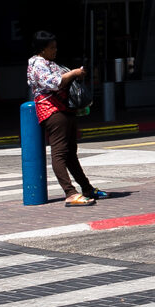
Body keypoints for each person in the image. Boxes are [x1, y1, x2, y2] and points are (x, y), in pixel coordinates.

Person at [26, 31, 98, 207]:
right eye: (52, 48)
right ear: (42, 49)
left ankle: (87, 188)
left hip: (64, 110)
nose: (55, 50)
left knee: (70, 153)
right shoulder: (37, 64)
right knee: (59, 153)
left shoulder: (48, 62)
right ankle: (70, 193)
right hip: (52, 111)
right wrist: (73, 73)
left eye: (55, 47)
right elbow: (55, 83)